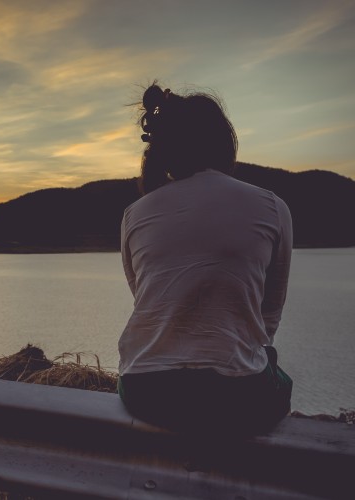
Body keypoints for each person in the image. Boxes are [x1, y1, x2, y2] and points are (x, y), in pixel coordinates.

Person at [117, 83, 293, 437]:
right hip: (237, 396)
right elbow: (270, 309)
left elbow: (145, 298)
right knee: (277, 377)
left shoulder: (134, 214)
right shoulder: (272, 206)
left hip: (145, 390)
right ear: (223, 142)